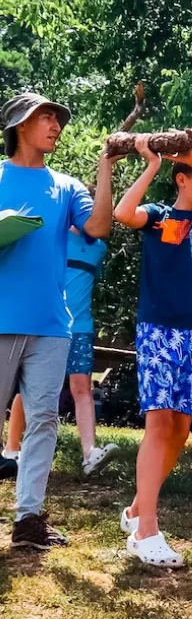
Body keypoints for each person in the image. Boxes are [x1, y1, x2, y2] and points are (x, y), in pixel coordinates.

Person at [114, 137, 192, 568]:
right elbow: (123, 213)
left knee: (181, 429)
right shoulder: (160, 217)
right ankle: (146, 530)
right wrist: (152, 164)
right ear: (182, 180)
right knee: (159, 422)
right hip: (157, 330)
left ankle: (136, 509)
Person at [0, 92, 117, 547]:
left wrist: (105, 169)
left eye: (58, 119)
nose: (56, 125)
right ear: (19, 125)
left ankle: (28, 520)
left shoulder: (67, 187)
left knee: (44, 420)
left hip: (52, 325)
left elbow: (98, 228)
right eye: (46, 117)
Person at [3, 228, 120, 477]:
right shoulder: (52, 238)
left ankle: (90, 454)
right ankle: (11, 450)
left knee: (82, 387)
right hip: (47, 326)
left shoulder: (99, 248)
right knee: (30, 389)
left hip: (80, 328)